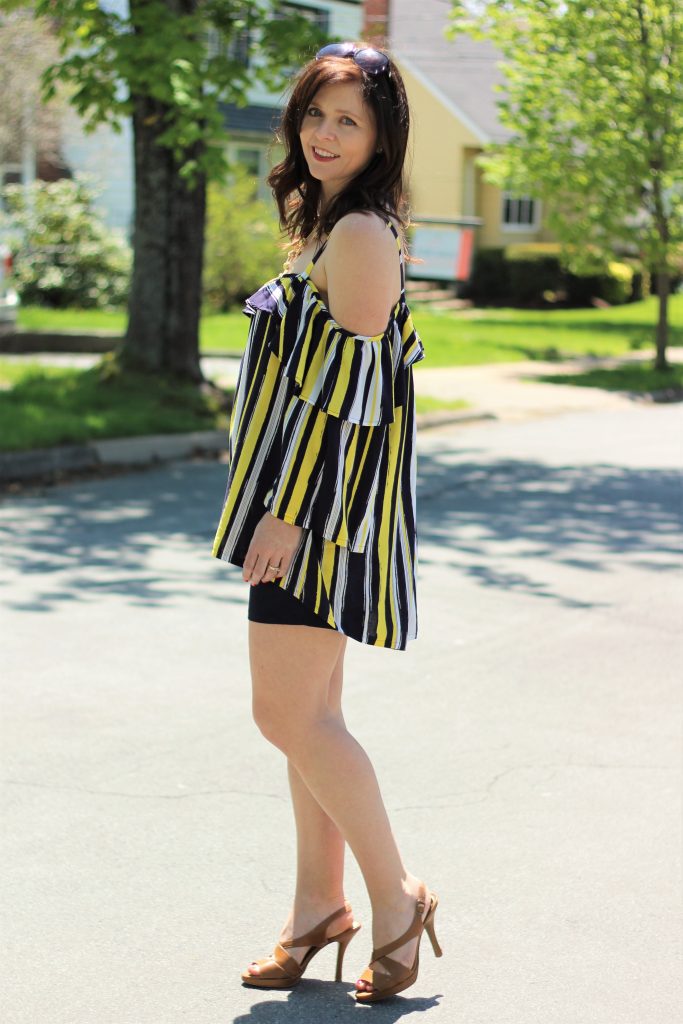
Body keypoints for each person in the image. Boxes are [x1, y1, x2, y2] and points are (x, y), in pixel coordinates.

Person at [211, 41, 441, 1004]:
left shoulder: (358, 235)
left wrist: (291, 518)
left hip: (319, 517)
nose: (324, 132)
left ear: (382, 134)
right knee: (310, 719)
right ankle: (318, 908)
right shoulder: (332, 223)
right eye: (314, 113)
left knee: (286, 713)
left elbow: (349, 397)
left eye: (348, 118)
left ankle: (395, 900)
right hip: (306, 511)